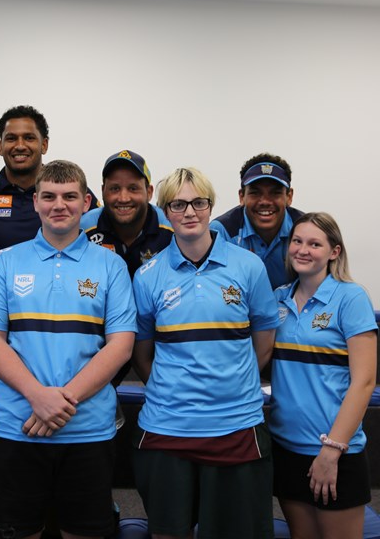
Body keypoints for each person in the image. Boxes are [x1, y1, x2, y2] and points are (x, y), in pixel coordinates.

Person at [0, 160, 136, 539]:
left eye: (69, 196)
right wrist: (37, 397)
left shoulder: (111, 265)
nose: (59, 205)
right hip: (17, 428)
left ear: (86, 202)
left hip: (87, 430)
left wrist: (59, 403)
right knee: (18, 532)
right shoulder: (5, 262)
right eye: (49, 196)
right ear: (35, 202)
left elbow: (121, 346)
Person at [131, 167, 278, 539]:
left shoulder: (248, 266)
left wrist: (233, 380)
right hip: (167, 427)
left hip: (236, 425)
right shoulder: (147, 276)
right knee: (168, 532)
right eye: (178, 204)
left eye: (198, 202)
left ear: (211, 206)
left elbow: (264, 338)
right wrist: (171, 390)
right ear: (165, 211)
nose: (189, 212)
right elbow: (143, 354)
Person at [268, 212, 377, 539]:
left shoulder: (351, 298)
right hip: (286, 447)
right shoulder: (278, 298)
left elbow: (364, 381)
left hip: (334, 451)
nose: (303, 250)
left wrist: (332, 450)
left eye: (315, 244)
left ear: (334, 252)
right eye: (297, 241)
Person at [0, 105, 99, 274]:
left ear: (44, 144)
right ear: (0, 146)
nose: (20, 146)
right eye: (11, 138)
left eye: (29, 138)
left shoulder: (70, 192)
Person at [211, 153, 303, 289]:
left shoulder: (307, 230)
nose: (265, 201)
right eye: (255, 193)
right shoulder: (221, 232)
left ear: (289, 196)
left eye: (275, 193)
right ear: (241, 196)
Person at [81, 149, 174, 278]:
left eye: (133, 188)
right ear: (102, 191)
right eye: (115, 188)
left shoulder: (172, 228)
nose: (123, 198)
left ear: (149, 192)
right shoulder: (82, 230)